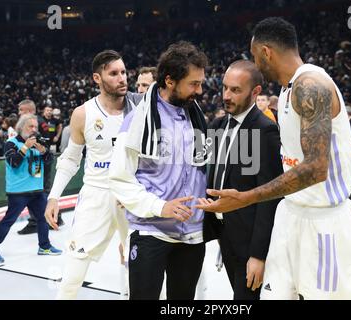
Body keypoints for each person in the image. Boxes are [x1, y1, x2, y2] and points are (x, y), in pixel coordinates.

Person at [196, 17, 351, 300]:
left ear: (265, 52)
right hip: (290, 215)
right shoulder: (286, 91)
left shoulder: (312, 85)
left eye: (253, 55)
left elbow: (315, 169)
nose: (254, 62)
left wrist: (247, 197)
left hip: (325, 222)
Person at [109, 41, 209, 300]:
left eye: (200, 83)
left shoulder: (196, 116)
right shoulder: (138, 120)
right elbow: (120, 178)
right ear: (170, 81)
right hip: (152, 231)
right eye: (193, 84)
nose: (200, 90)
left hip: (192, 233)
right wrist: (160, 206)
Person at [44, 49, 141, 299]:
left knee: (142, 269)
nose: (122, 78)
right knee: (74, 270)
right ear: (97, 78)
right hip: (97, 194)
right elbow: (70, 160)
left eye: (123, 72)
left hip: (133, 195)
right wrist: (54, 197)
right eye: (114, 73)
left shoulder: (140, 109)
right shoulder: (83, 113)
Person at [201, 60, 283, 300]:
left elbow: (271, 196)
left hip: (249, 239)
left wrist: (258, 255)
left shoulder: (265, 130)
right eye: (225, 88)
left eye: (235, 90)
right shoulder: (218, 124)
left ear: (255, 92)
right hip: (224, 233)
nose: (227, 95)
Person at [0, 114, 62, 264]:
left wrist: (44, 152)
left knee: (42, 218)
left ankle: (44, 246)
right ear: (21, 128)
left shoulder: (39, 143)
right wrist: (25, 147)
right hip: (18, 191)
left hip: (37, 189)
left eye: (35, 127)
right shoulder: (11, 143)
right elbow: (14, 162)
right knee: (9, 220)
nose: (34, 130)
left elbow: (49, 161)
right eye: (30, 126)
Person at [16, 99, 64, 235]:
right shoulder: (40, 122)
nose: (19, 113)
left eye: (21, 110)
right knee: (41, 190)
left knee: (36, 190)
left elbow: (43, 144)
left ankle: (36, 221)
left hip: (38, 161)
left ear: (30, 111)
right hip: (40, 161)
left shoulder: (34, 124)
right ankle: (54, 218)